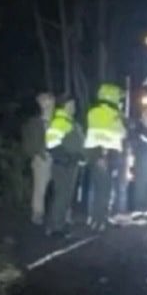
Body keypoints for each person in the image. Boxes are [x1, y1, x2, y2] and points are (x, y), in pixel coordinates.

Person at [85, 83, 127, 230]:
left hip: (93, 155)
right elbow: (122, 133)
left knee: (96, 188)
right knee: (105, 190)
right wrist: (120, 117)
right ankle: (101, 220)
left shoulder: (92, 112)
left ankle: (93, 218)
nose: (120, 100)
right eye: (118, 97)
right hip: (106, 155)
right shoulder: (112, 114)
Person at [45, 95, 84, 238]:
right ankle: (56, 226)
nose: (73, 107)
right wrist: (66, 157)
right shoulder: (60, 121)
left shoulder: (70, 122)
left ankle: (60, 223)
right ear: (64, 106)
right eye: (71, 104)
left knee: (66, 195)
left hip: (71, 165)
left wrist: (79, 156)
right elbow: (51, 144)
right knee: (61, 195)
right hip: (63, 166)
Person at [22, 92, 55, 226]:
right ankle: (37, 213)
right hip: (41, 159)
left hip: (57, 159)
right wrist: (36, 154)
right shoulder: (34, 123)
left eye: (50, 102)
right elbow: (28, 141)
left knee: (59, 187)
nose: (48, 105)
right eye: (45, 102)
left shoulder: (57, 122)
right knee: (40, 187)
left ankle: (59, 213)